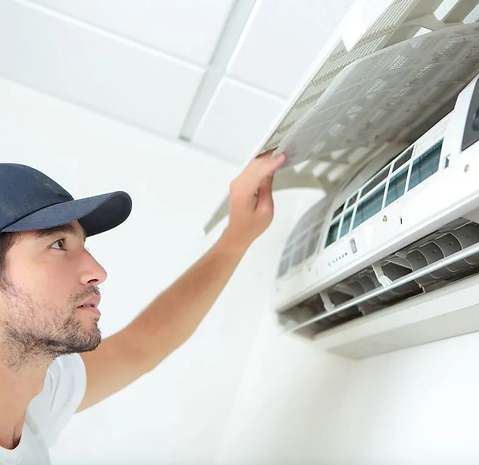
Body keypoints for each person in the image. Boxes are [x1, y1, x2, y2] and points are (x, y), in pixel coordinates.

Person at [0, 150, 287, 464]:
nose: (98, 271)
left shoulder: (35, 397)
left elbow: (140, 346)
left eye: (85, 245)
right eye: (57, 244)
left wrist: (237, 237)